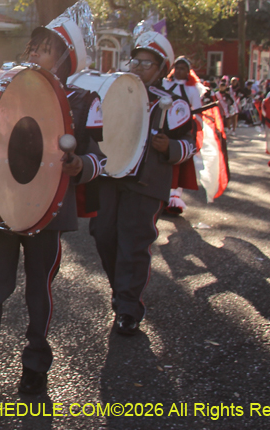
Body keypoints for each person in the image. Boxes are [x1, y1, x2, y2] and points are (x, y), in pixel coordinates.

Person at [0, 8, 105, 401]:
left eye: (45, 48)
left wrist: (80, 163)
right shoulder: (9, 88)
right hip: (3, 205)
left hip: (47, 210)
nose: (34, 51)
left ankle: (35, 368)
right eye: (33, 44)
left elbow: (102, 161)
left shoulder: (83, 101)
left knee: (39, 293)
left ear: (66, 59)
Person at [90, 26, 196, 336]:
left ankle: (128, 306)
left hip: (146, 182)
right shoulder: (115, 91)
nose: (137, 68)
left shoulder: (174, 104)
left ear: (162, 68)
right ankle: (120, 290)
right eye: (134, 62)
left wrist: (170, 147)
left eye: (146, 64)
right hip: (110, 176)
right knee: (103, 235)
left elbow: (189, 145)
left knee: (134, 244)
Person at [161, 56, 204, 216]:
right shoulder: (165, 84)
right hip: (164, 128)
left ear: (188, 71)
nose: (179, 71)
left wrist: (194, 130)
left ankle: (175, 197)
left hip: (182, 130)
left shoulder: (192, 90)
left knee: (179, 162)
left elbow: (198, 112)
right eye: (177, 68)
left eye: (182, 69)